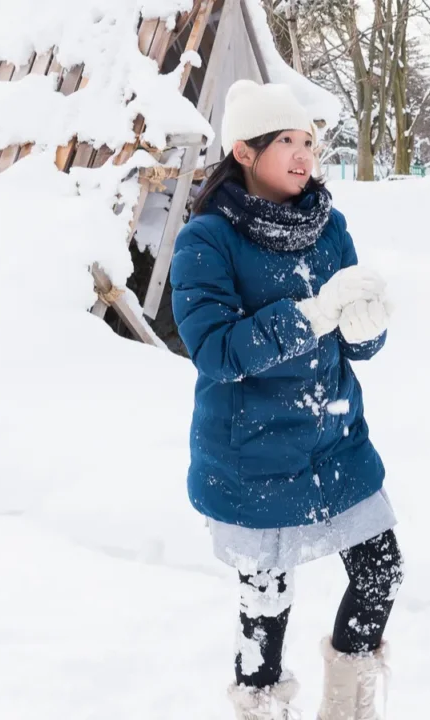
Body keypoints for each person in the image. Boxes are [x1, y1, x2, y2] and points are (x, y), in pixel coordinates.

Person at [169, 80, 404, 720]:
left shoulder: (329, 227)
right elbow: (215, 351)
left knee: (380, 569)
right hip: (252, 459)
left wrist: (367, 327)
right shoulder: (206, 241)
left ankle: (348, 711)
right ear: (244, 152)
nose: (305, 156)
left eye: (309, 143)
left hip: (336, 441)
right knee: (265, 613)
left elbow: (356, 342)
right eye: (287, 143)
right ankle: (261, 709)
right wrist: (312, 316)